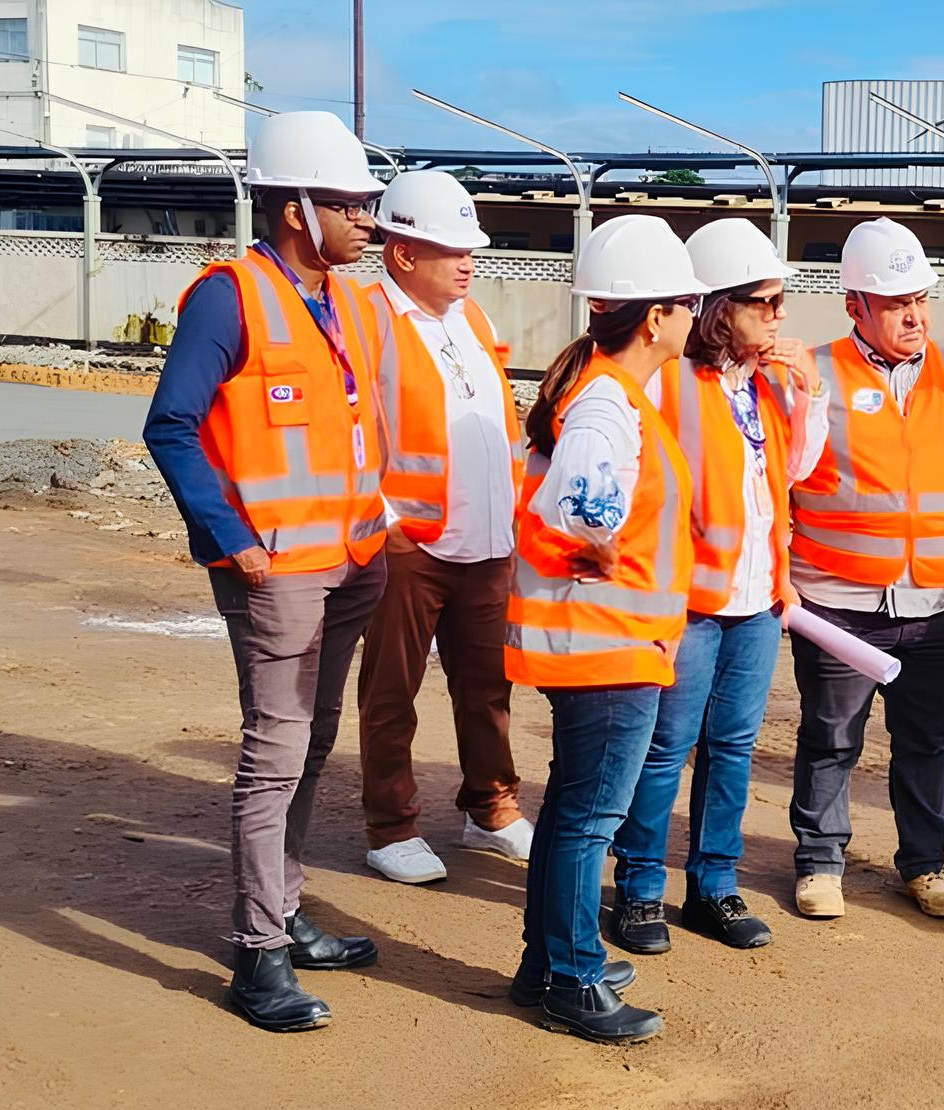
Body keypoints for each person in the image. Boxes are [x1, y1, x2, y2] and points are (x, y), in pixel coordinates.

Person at [140, 110, 389, 1032]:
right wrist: (229, 537)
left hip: (352, 559)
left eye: (368, 201)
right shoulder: (229, 297)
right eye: (351, 203)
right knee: (273, 753)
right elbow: (171, 426)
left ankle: (284, 907)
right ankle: (257, 953)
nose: (368, 218)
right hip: (275, 569)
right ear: (294, 209)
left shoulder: (347, 298)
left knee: (313, 743)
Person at [784, 218, 944, 923]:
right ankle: (820, 862)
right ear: (855, 305)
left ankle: (923, 866)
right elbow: (779, 480)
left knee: (927, 741)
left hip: (940, 601)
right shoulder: (815, 377)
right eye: (895, 303)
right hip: (839, 602)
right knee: (831, 737)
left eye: (920, 297)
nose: (914, 314)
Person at [506, 213, 706, 1045]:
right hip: (608, 646)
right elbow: (583, 499)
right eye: (686, 304)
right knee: (592, 818)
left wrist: (586, 534)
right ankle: (576, 978)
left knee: (570, 811)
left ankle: (547, 962)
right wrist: (596, 536)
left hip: (597, 642)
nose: (695, 316)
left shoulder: (597, 388)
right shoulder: (606, 402)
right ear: (653, 316)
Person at [604, 218, 822, 954]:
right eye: (766, 301)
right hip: (689, 604)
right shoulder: (670, 382)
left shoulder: (759, 389)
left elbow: (790, 477)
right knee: (665, 748)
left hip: (756, 601)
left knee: (732, 747)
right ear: (721, 307)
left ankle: (713, 887)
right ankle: (637, 889)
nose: (780, 314)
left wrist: (810, 393)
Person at [352, 169, 532, 885]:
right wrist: (385, 521)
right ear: (401, 253)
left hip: (487, 545)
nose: (468, 262)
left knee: (488, 687)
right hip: (409, 547)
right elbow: (347, 429)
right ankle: (390, 827)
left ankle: (490, 808)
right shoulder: (365, 319)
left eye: (470, 248)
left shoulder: (474, 319)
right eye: (451, 249)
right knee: (391, 689)